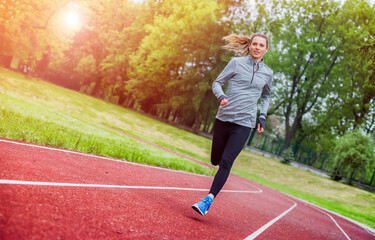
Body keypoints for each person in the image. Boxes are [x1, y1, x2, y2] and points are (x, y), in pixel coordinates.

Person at [192, 33, 273, 216]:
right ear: (250, 45)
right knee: (216, 159)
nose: (257, 47)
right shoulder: (236, 63)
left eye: (261, 45)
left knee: (227, 162)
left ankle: (207, 200)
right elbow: (217, 83)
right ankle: (217, 167)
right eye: (255, 44)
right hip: (224, 118)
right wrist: (221, 96)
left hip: (245, 123)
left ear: (266, 49)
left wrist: (262, 117)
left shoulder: (268, 73)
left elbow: (266, 95)